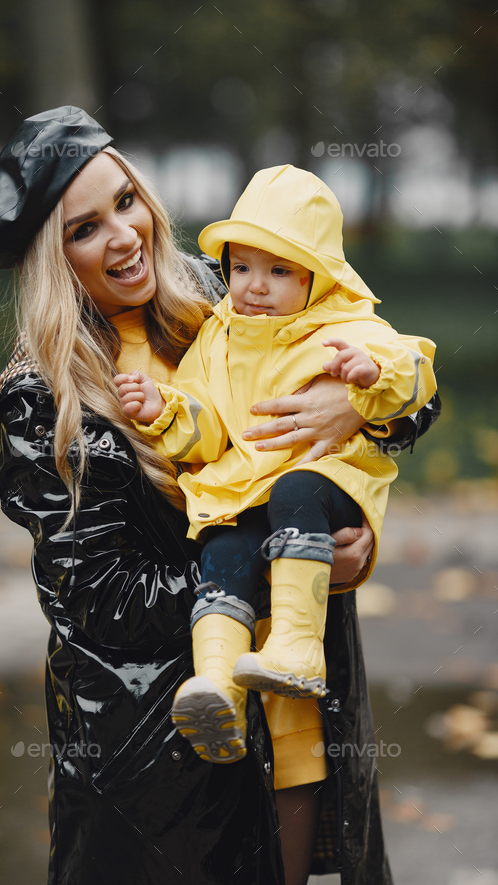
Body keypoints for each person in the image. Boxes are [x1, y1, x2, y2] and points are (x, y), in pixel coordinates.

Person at [0, 107, 439, 885]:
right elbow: (99, 595)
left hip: (293, 708)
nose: (124, 236)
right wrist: (283, 563)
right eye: (84, 229)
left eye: (126, 202)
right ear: (51, 261)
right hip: (162, 754)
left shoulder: (225, 299)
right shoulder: (45, 396)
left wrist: (357, 412)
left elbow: (399, 373)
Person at [115, 165, 437, 776]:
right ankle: (217, 690)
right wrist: (167, 412)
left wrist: (372, 379)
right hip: (244, 490)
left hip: (326, 480)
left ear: (317, 276)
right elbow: (209, 427)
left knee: (296, 492)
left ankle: (297, 647)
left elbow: (416, 371)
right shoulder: (217, 337)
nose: (254, 286)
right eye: (241, 268)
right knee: (222, 551)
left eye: (279, 270)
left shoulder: (344, 327)